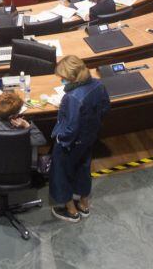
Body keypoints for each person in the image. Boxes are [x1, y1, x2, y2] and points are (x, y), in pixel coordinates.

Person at [49, 55, 110, 222]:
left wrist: (60, 139)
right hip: (89, 137)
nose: (61, 80)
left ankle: (70, 210)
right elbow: (105, 107)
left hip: (71, 142)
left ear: (71, 77)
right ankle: (83, 204)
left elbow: (70, 127)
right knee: (83, 168)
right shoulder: (98, 84)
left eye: (62, 78)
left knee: (61, 172)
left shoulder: (72, 97)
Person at [0, 90, 47, 168]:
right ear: (11, 117)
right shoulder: (17, 135)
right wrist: (27, 125)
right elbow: (41, 140)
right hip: (14, 165)